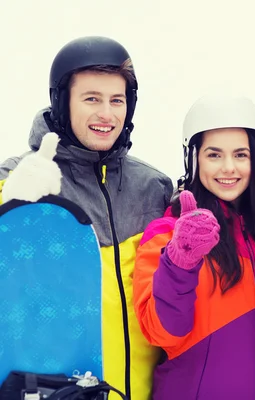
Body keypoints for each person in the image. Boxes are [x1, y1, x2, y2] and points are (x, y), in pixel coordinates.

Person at [0, 36, 174, 399]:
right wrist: (12, 205)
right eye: (91, 99)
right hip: (59, 391)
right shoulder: (20, 175)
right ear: (62, 103)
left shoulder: (154, 187)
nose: (106, 114)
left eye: (117, 100)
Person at [133, 93, 255, 400]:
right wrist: (181, 260)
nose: (229, 168)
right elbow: (162, 331)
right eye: (214, 155)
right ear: (193, 158)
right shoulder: (167, 233)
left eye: (241, 155)